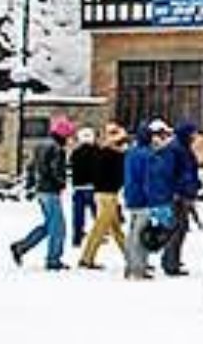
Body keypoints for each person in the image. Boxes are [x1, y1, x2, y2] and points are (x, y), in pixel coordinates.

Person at [11, 116, 74, 271]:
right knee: (58, 227)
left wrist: (31, 184)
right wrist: (61, 183)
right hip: (50, 190)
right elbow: (54, 169)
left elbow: (31, 166)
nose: (69, 139)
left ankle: (21, 247)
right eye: (68, 135)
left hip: (41, 190)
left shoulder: (41, 145)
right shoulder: (57, 149)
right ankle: (53, 260)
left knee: (49, 225)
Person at [79, 122, 127, 270]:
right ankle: (86, 258)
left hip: (105, 194)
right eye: (120, 142)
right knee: (100, 228)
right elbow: (118, 176)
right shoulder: (111, 154)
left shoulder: (103, 152)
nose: (123, 145)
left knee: (116, 229)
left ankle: (132, 256)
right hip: (107, 194)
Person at [161, 122, 201, 276]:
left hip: (184, 193)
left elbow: (189, 170)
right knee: (177, 228)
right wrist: (177, 190)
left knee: (180, 228)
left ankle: (172, 259)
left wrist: (195, 184)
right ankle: (171, 263)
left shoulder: (183, 148)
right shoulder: (176, 149)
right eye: (193, 133)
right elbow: (170, 173)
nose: (195, 136)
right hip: (177, 195)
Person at [122, 124, 154, 280]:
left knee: (132, 231)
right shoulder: (148, 155)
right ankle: (138, 268)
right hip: (144, 198)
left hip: (131, 196)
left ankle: (129, 265)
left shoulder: (131, 153)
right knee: (141, 234)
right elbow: (148, 179)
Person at [69, 127, 99, 248]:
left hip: (79, 187)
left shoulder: (76, 153)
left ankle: (77, 237)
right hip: (93, 187)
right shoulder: (97, 152)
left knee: (78, 215)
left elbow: (71, 166)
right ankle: (99, 234)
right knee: (97, 214)